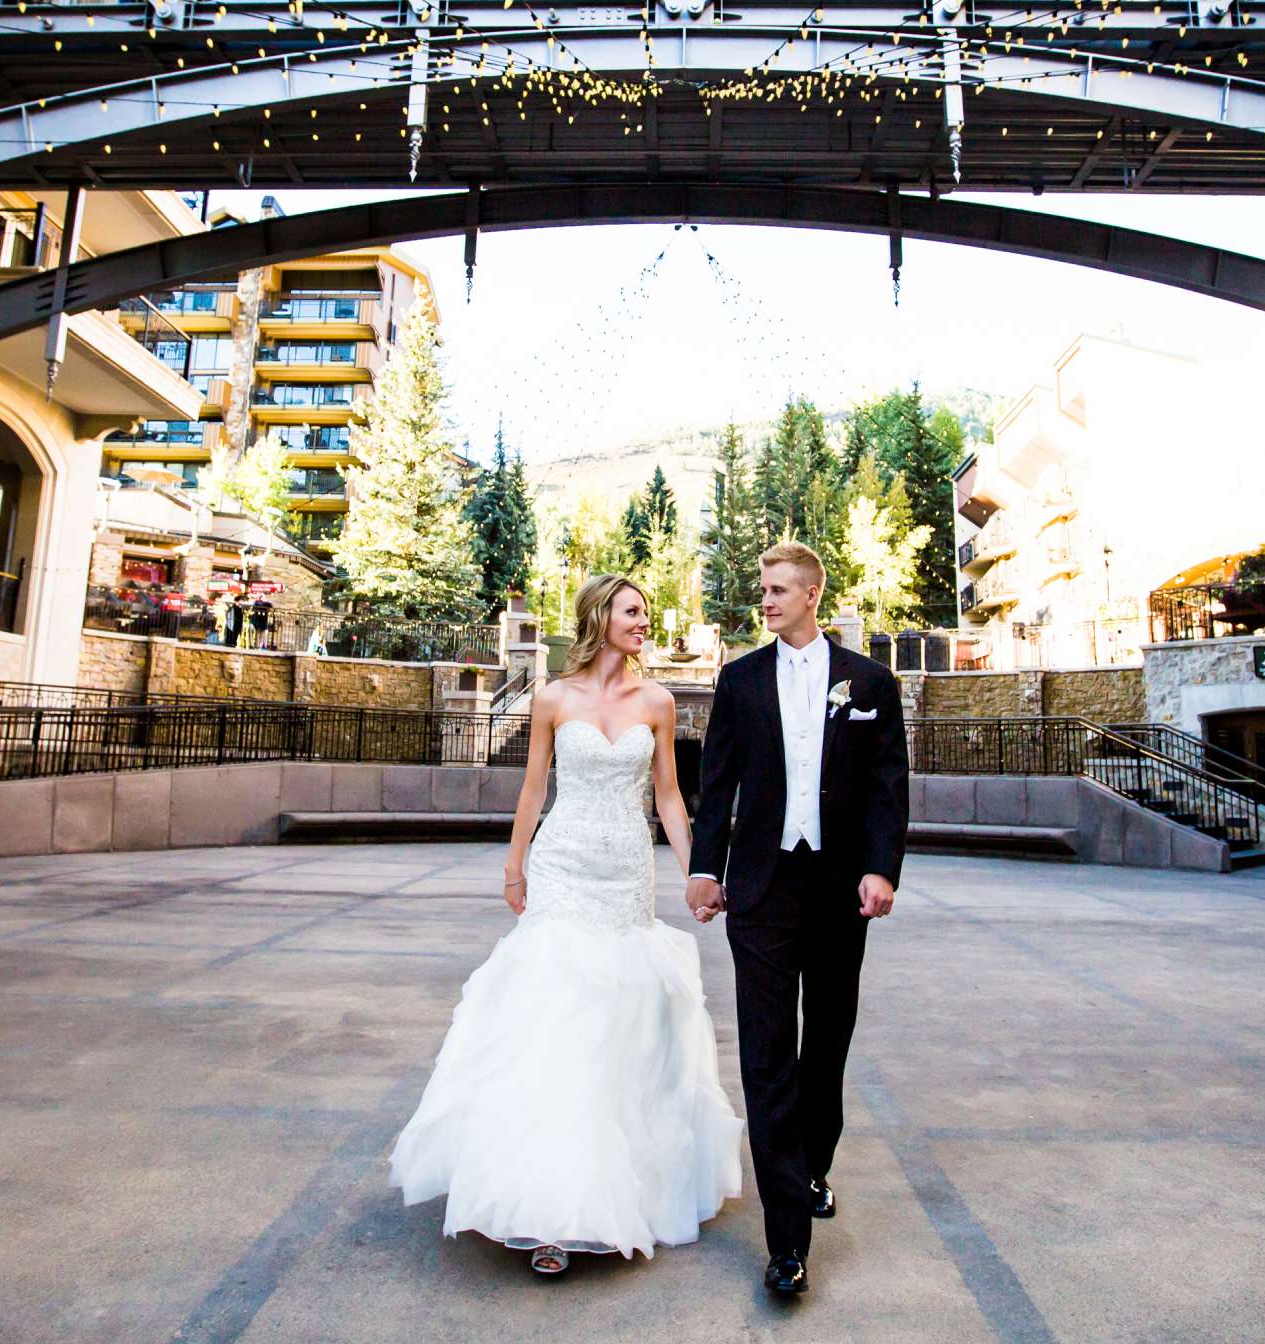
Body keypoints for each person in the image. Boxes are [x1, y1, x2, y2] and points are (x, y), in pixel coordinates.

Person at [389, 574, 743, 1275]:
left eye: (646, 612)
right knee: (558, 1016)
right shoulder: (554, 698)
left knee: (623, 1019)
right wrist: (514, 868)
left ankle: (624, 1190)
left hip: (625, 877)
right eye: (634, 611)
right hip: (563, 868)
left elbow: (669, 797)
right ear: (600, 617)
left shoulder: (659, 701)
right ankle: (546, 1209)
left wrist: (695, 872)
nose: (646, 621)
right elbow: (532, 789)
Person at [685, 540, 910, 1298]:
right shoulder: (740, 680)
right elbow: (718, 785)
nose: (768, 601)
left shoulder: (870, 682)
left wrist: (880, 868)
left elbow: (887, 785)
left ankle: (814, 1166)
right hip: (763, 889)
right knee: (766, 1054)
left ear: (814, 594)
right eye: (763, 591)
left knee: (828, 1044)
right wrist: (703, 869)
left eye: (781, 590)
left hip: (843, 888)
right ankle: (787, 1243)